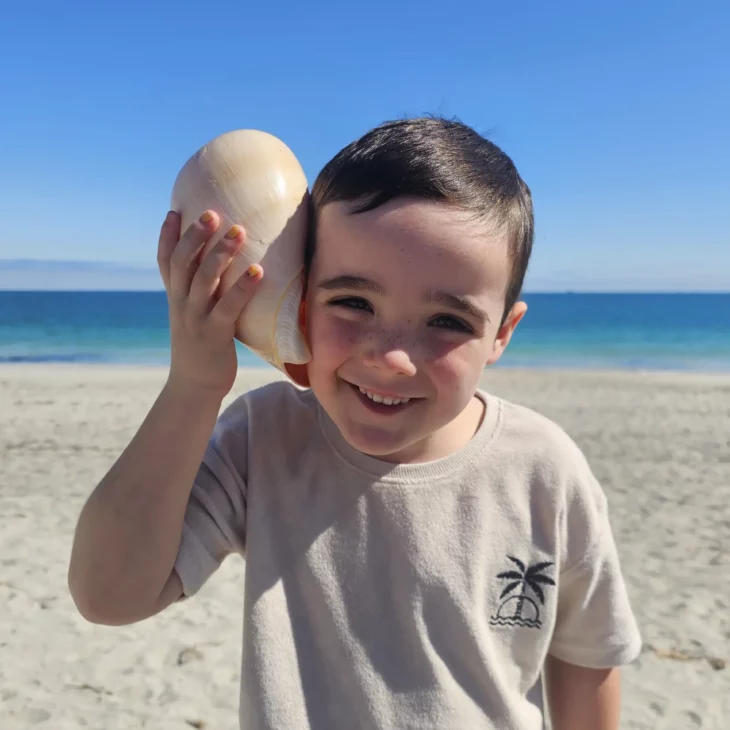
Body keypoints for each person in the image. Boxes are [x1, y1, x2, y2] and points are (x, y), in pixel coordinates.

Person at [68, 116, 642, 729]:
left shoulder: (544, 468)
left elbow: (587, 657)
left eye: (447, 322)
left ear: (502, 332)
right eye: (353, 303)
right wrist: (195, 384)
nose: (391, 358)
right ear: (301, 297)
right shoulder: (265, 438)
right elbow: (109, 594)